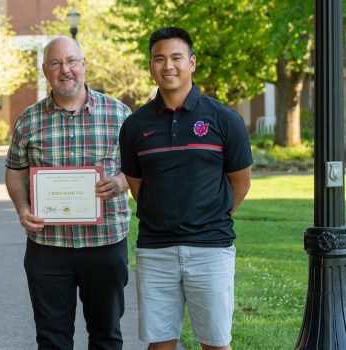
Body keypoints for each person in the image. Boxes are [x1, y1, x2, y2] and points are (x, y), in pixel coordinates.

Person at [119, 27, 253, 350]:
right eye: (159, 58)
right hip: (156, 251)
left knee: (216, 343)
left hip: (211, 249)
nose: (168, 66)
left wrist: (208, 216)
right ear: (151, 65)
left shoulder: (224, 119)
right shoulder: (135, 125)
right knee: (160, 344)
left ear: (191, 62)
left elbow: (241, 182)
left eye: (176, 57)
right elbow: (137, 186)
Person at [5, 36, 132, 349]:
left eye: (72, 61)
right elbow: (15, 169)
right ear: (46, 70)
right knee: (52, 339)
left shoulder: (119, 114)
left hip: (105, 242)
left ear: (84, 65)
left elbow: (140, 168)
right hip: (48, 246)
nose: (66, 69)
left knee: (106, 336)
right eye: (57, 63)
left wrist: (119, 182)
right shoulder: (29, 119)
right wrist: (22, 209)